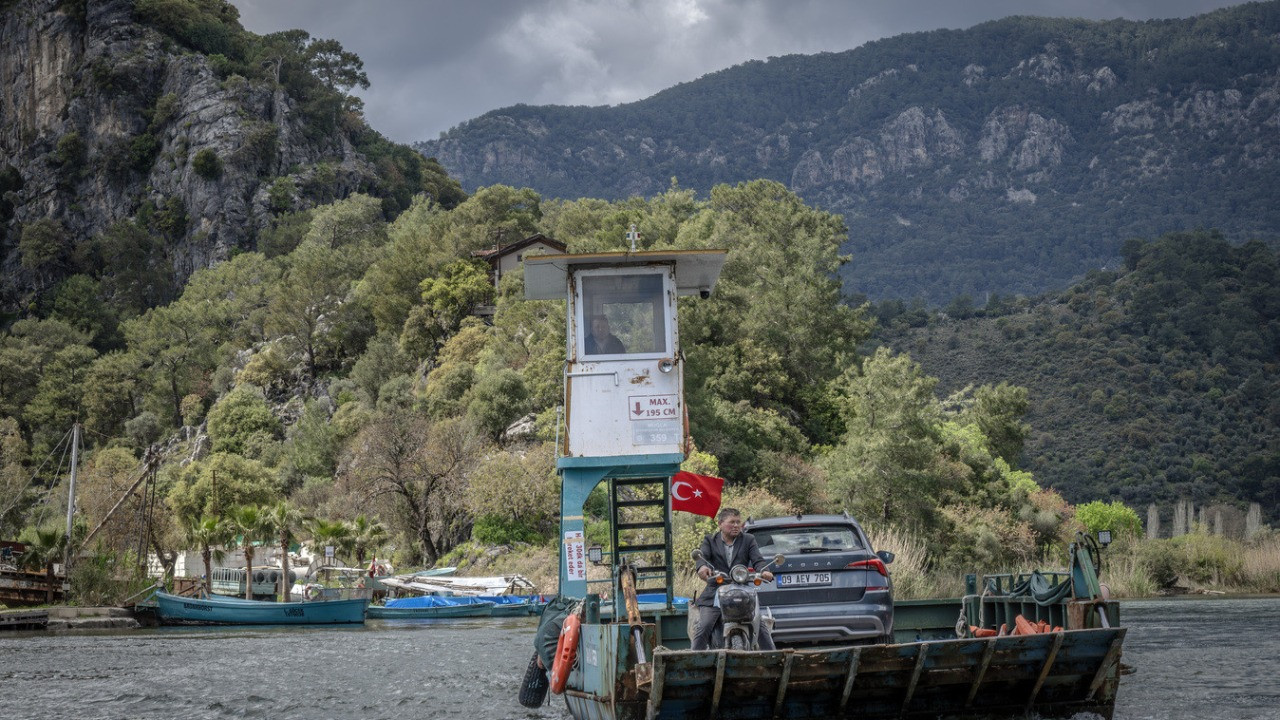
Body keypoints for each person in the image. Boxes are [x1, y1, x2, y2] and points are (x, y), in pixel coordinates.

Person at [691, 507, 776, 650]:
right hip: (715, 591)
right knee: (704, 626)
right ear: (720, 524)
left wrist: (765, 571)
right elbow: (702, 557)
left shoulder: (748, 539)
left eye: (738, 522)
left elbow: (758, 560)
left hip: (741, 591)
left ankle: (774, 659)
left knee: (760, 626)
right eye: (732, 522)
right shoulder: (710, 540)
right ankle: (694, 660)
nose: (736, 525)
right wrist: (702, 567)